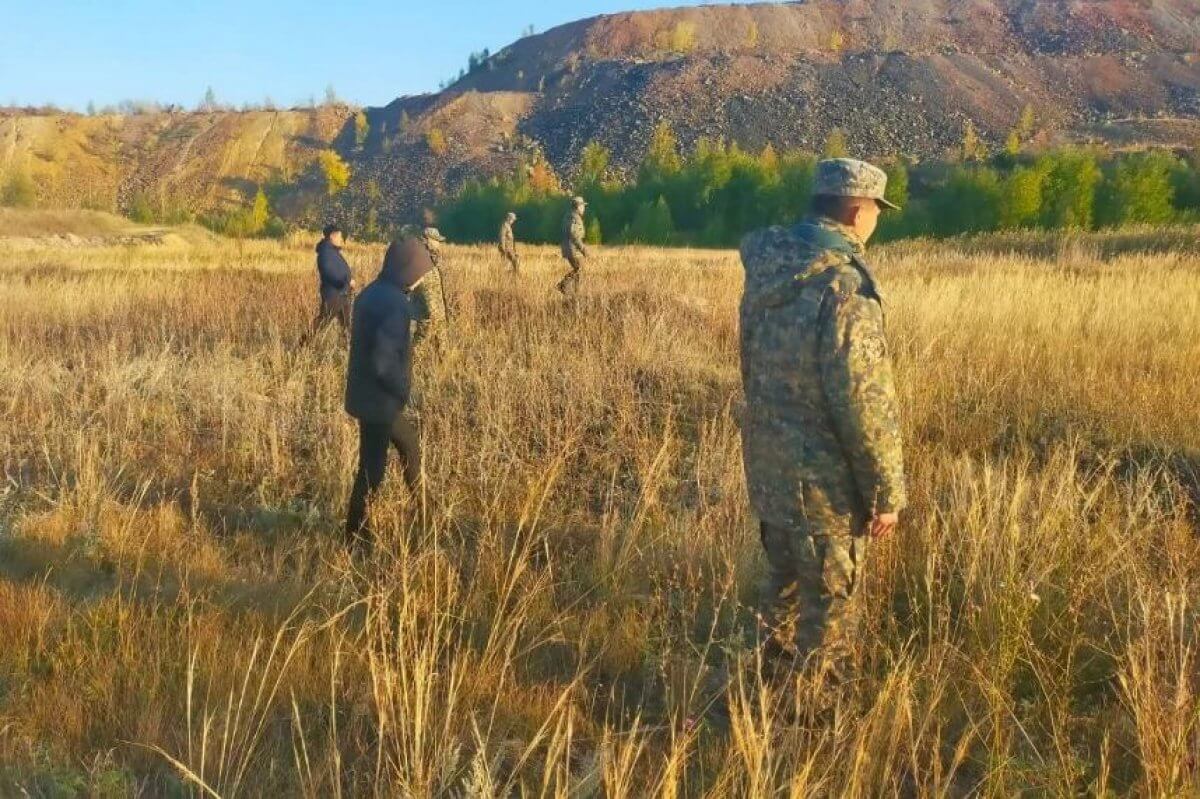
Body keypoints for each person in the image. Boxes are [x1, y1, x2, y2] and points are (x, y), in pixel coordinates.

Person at [738, 157, 907, 681]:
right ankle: (816, 725)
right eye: (877, 211)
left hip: (770, 469)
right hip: (825, 486)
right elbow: (864, 403)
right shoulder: (844, 288)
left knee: (782, 583)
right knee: (830, 610)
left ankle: (756, 694)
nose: (876, 221)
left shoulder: (769, 272)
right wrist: (886, 493)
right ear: (858, 212)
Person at [343, 239, 434, 549]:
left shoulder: (372, 293)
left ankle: (423, 513)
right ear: (407, 269)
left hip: (368, 394)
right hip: (380, 400)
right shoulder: (393, 303)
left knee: (407, 444)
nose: (421, 279)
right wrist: (401, 392)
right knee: (372, 470)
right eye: (420, 272)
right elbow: (384, 360)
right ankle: (356, 538)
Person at [314, 223, 356, 333]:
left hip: (343, 293)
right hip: (333, 295)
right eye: (339, 236)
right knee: (321, 323)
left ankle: (348, 348)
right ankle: (302, 346)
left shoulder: (333, 252)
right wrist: (346, 281)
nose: (341, 239)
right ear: (332, 236)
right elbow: (328, 272)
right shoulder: (326, 252)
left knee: (346, 326)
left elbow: (338, 270)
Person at [557, 196, 589, 296]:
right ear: (578, 206)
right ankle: (566, 287)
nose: (584, 208)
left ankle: (572, 291)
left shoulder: (570, 216)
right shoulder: (574, 218)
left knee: (579, 270)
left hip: (569, 248)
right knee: (580, 270)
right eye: (583, 206)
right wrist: (583, 249)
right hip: (572, 249)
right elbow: (574, 234)